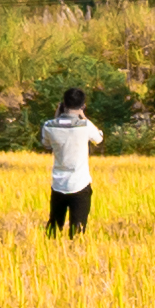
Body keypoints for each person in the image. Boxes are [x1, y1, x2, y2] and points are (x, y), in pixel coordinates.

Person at [42, 88, 100, 239]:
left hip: (58, 185)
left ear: (62, 104)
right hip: (80, 184)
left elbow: (46, 144)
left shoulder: (49, 126)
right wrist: (84, 117)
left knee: (53, 228)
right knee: (78, 230)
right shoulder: (85, 126)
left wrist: (56, 116)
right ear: (83, 106)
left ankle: (49, 255)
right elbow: (99, 138)